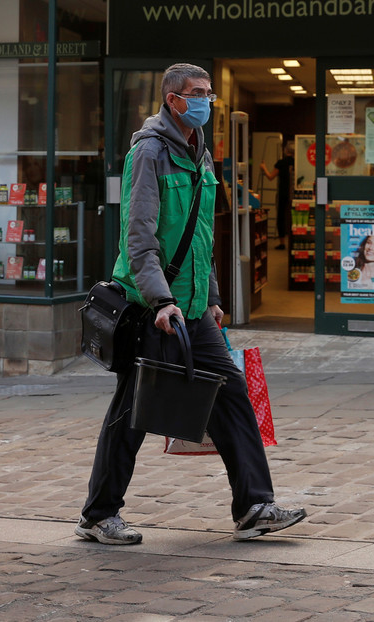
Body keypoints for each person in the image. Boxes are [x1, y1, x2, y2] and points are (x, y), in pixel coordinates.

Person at [75, 63, 306, 546]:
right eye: (196, 93)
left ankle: (254, 506)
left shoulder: (200, 153)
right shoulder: (149, 152)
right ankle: (99, 514)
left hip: (193, 310)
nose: (204, 101)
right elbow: (138, 237)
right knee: (134, 411)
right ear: (172, 99)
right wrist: (160, 300)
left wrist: (214, 298)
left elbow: (201, 237)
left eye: (209, 95)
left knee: (231, 393)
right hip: (152, 309)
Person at [259, 140, 294, 250]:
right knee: (294, 218)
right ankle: (294, 241)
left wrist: (264, 167)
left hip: (283, 193)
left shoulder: (281, 163)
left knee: (281, 217)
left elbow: (270, 176)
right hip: (295, 194)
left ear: (285, 150)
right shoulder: (297, 162)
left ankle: (282, 243)